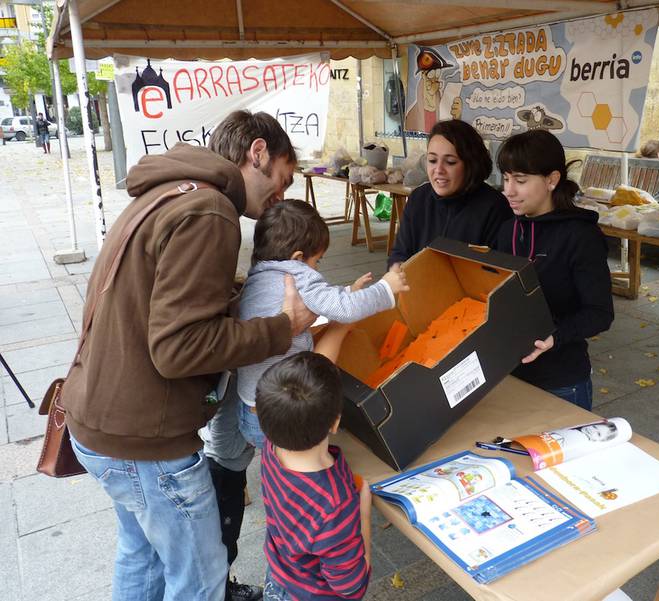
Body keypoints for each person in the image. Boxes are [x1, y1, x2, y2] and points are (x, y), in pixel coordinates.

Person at [63, 109, 314, 601]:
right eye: (281, 181)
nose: (279, 198)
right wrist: (282, 328)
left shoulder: (169, 191)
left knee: (143, 558)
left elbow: (157, 301)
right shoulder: (211, 211)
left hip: (100, 420)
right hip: (144, 439)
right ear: (257, 153)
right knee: (199, 580)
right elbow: (179, 350)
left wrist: (236, 296)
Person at [210, 198, 408, 450]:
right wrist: (386, 288)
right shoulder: (296, 273)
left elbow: (321, 299)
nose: (316, 269)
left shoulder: (258, 277)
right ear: (298, 257)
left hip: (249, 409)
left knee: (276, 467)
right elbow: (343, 309)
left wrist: (347, 291)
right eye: (318, 261)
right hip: (282, 416)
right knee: (294, 469)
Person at [494, 129, 614, 410]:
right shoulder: (507, 229)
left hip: (561, 383)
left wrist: (554, 336)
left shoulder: (580, 236)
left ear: (552, 179)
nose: (508, 190)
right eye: (507, 178)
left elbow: (600, 313)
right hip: (508, 378)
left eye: (520, 180)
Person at [256, 352, 372, 600]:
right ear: (335, 423)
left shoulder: (271, 446)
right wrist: (363, 512)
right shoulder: (335, 505)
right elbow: (351, 587)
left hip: (279, 579)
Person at [388, 119, 511, 267]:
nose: (438, 170)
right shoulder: (419, 198)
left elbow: (495, 272)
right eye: (432, 160)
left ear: (471, 164)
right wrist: (396, 270)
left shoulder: (494, 207)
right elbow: (400, 253)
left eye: (450, 162)